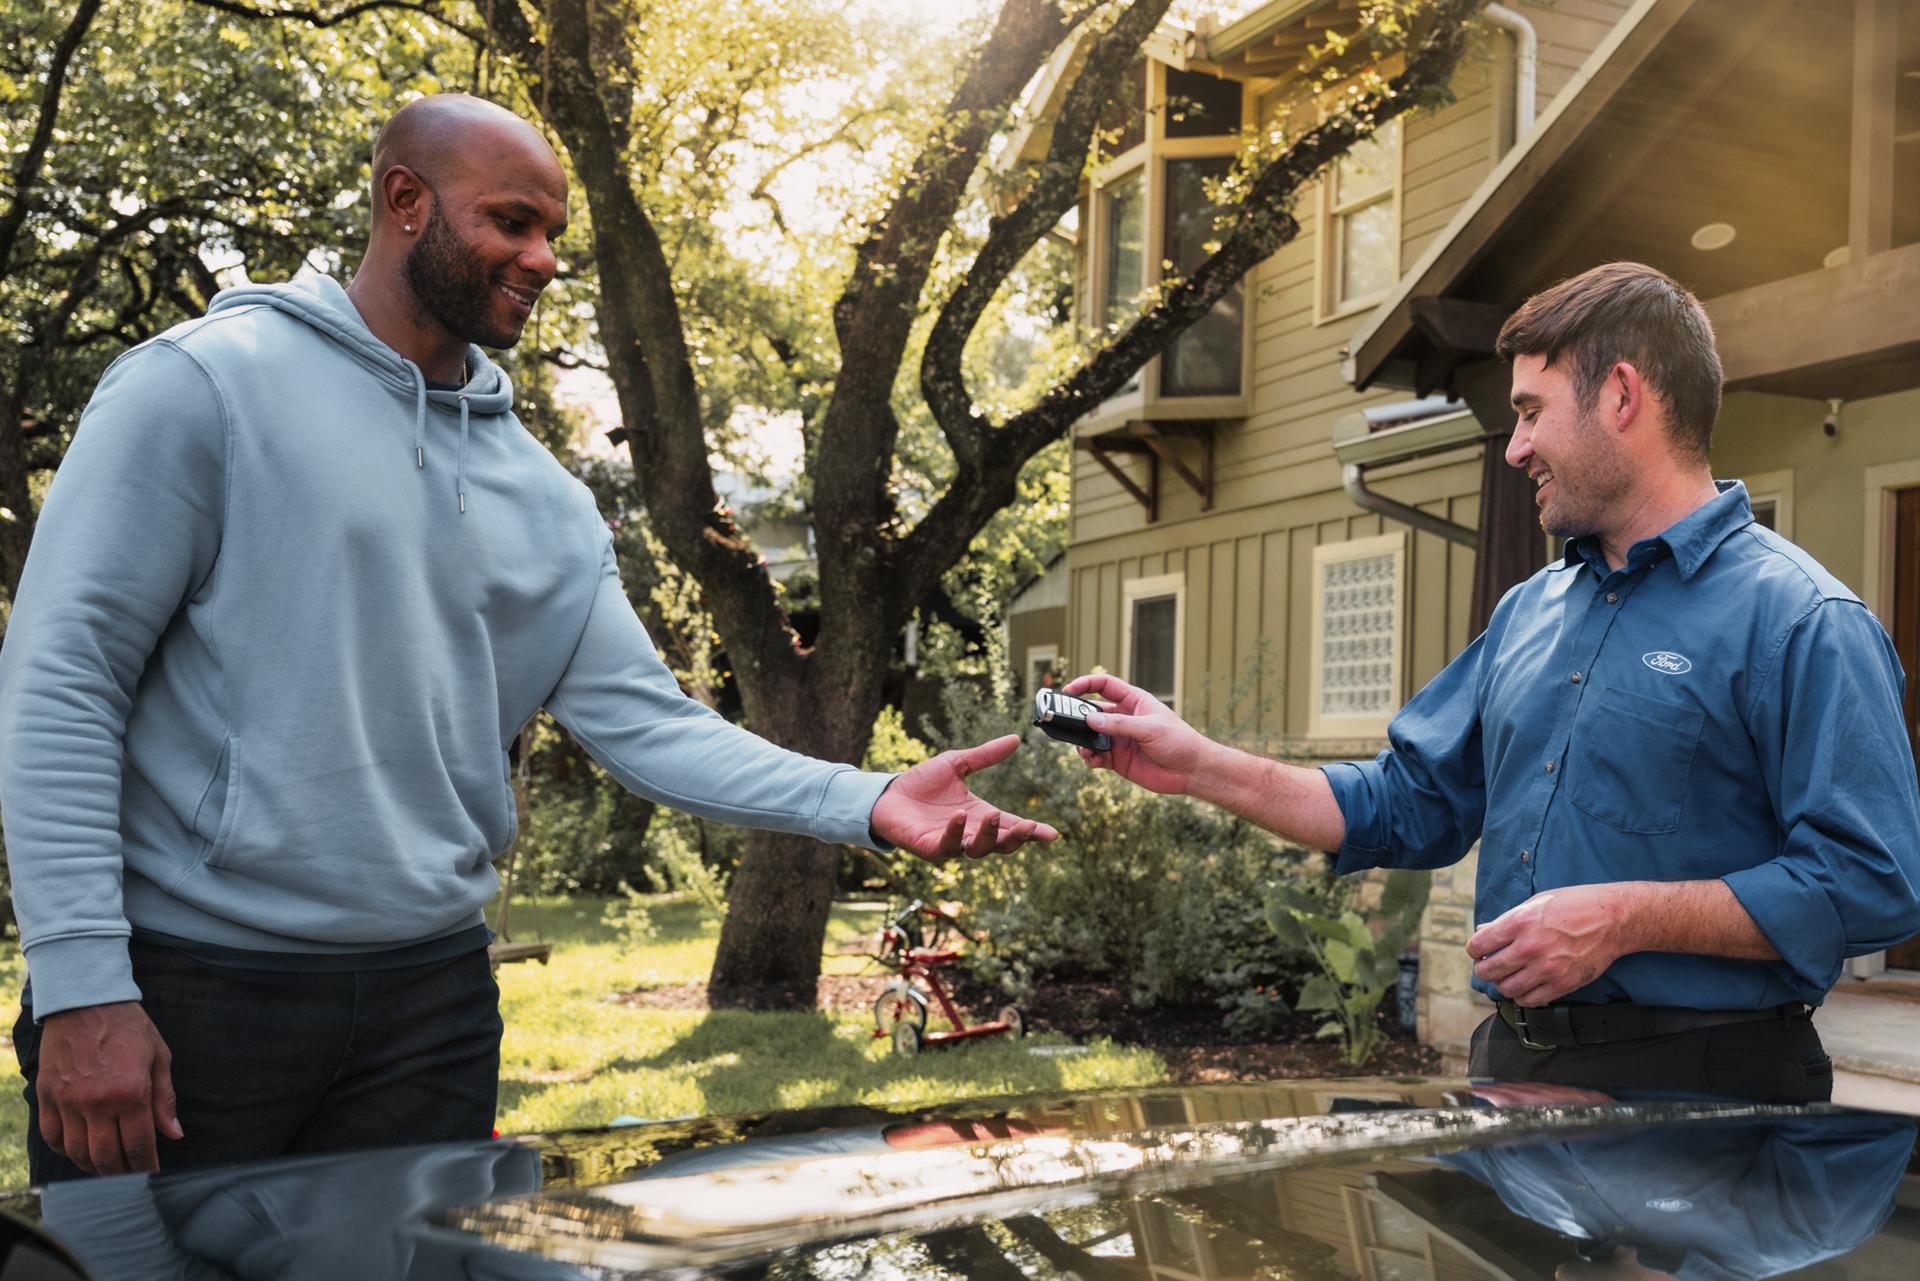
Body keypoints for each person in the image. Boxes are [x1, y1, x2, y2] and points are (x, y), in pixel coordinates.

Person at [0, 93, 1058, 1183]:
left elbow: (648, 726)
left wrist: (867, 800)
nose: (543, 259)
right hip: (194, 992)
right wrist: (83, 985)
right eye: (511, 222)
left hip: (433, 1008)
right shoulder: (205, 389)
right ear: (404, 202)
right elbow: (62, 681)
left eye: (553, 233)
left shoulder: (541, 497)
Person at [1063, 262, 1920, 1101]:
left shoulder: (1803, 619)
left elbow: (1875, 881)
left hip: (1708, 1089)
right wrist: (1195, 764)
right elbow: (1407, 801)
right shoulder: (1528, 612)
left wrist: (1623, 918)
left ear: (1622, 396)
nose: (1514, 448)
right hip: (1516, 1071)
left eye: (1530, 412)